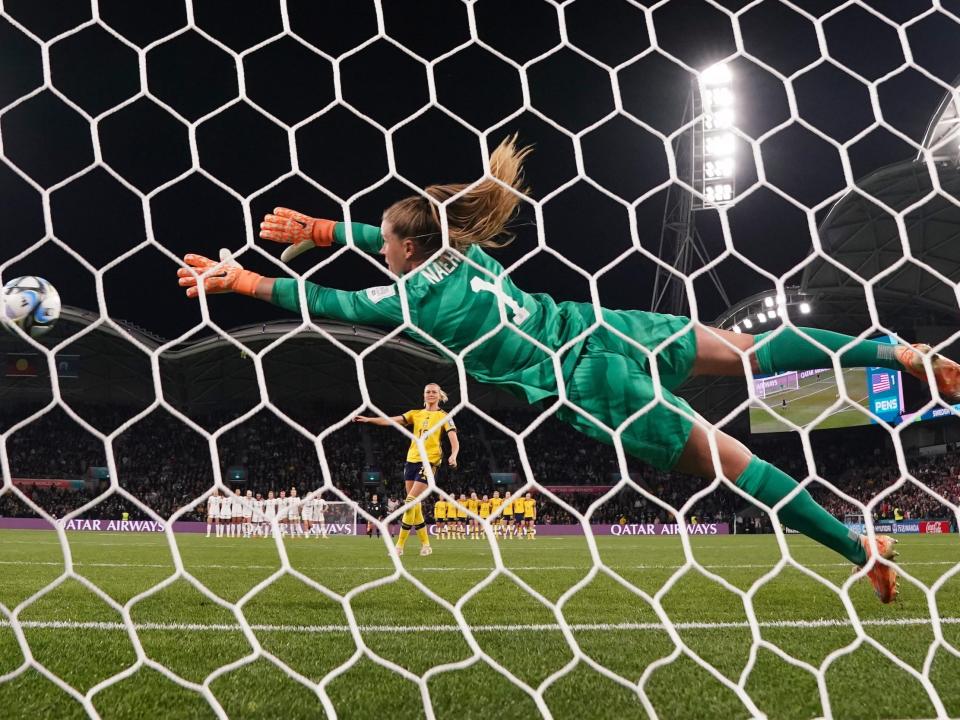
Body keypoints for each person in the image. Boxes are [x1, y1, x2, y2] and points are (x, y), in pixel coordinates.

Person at [177, 135, 960, 602]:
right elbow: (397, 237)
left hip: (584, 379)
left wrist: (246, 280)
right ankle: (896, 352)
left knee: (734, 461)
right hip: (603, 325)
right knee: (749, 351)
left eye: (385, 243)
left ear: (408, 251)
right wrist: (324, 227)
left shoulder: (411, 301)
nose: (379, 248)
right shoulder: (464, 249)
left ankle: (863, 553)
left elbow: (333, 305)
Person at [354, 383, 460, 556]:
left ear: (439, 396)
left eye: (434, 392)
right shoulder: (415, 414)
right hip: (411, 461)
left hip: (430, 461)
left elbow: (454, 440)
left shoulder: (445, 416)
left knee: (409, 501)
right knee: (414, 505)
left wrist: (454, 455)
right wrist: (369, 420)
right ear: (424, 395)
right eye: (428, 392)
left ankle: (399, 546)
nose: (431, 394)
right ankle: (426, 545)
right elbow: (391, 420)